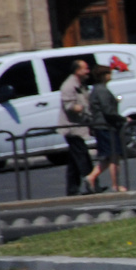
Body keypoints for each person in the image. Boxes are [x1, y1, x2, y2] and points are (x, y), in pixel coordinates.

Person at [83, 63, 126, 193]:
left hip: (103, 126)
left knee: (108, 157)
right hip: (106, 126)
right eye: (108, 73)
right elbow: (107, 110)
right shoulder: (102, 90)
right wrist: (122, 119)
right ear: (103, 76)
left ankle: (91, 177)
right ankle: (115, 185)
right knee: (114, 156)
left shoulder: (98, 89)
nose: (110, 76)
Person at [58, 57, 94, 195]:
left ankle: (72, 190)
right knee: (83, 157)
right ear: (77, 71)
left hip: (78, 127)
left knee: (74, 161)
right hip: (71, 128)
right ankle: (92, 184)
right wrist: (81, 108)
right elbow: (69, 106)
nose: (88, 71)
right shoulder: (68, 86)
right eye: (85, 68)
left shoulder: (81, 84)